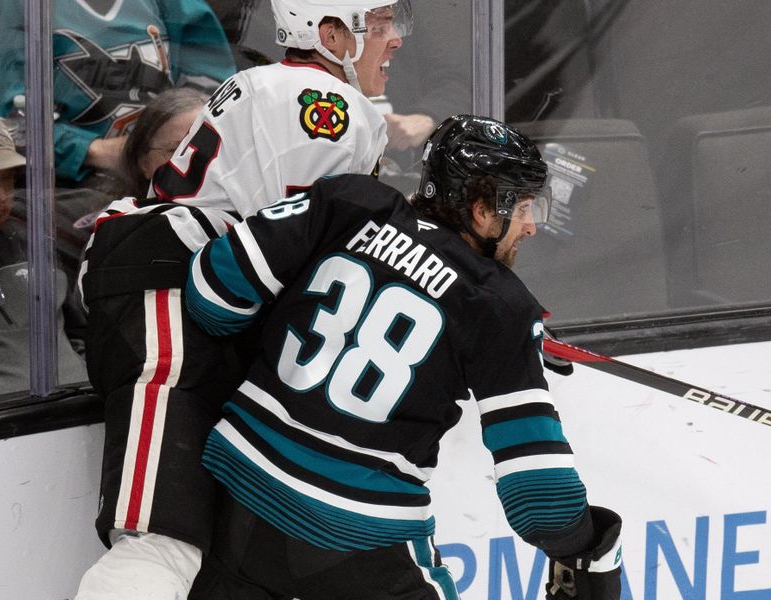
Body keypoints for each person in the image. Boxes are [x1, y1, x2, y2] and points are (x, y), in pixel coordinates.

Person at [184, 115, 623, 599]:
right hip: (356, 539)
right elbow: (539, 501)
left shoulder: (349, 201)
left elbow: (212, 295)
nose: (532, 225)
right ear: (481, 209)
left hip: (232, 497)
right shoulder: (499, 304)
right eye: (522, 207)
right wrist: (587, 543)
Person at [74, 2, 413, 598]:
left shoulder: (279, 87)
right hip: (165, 278)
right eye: (381, 25)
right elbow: (300, 245)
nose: (396, 41)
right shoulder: (322, 103)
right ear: (331, 35)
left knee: (218, 545)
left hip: (195, 286)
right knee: (161, 535)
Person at [0, 0, 234, 186]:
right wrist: (92, 151)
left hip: (170, 177)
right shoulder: (9, 7)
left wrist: (183, 145)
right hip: (63, 191)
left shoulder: (171, 5)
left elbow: (216, 94)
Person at [0, 108, 87, 399]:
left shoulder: (33, 238)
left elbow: (81, 332)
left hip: (78, 417)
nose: (2, 194)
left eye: (8, 178)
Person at [119, 87, 209, 197]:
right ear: (145, 163)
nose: (197, 164)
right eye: (176, 150)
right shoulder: (116, 213)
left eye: (209, 149)